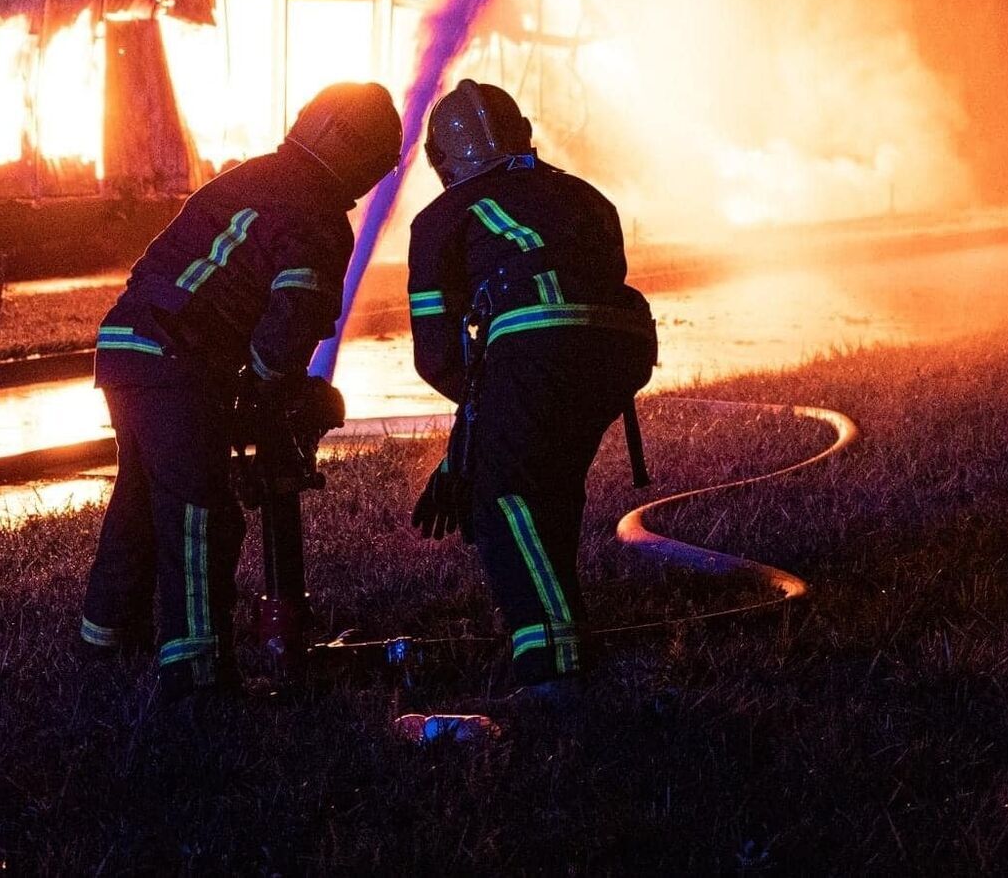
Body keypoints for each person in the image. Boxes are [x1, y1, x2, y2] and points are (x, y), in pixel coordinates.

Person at [80, 81, 401, 698]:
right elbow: (291, 320)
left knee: (142, 497)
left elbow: (164, 262)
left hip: (126, 346)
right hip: (178, 362)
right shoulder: (318, 218)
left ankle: (106, 640)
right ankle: (197, 673)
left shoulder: (249, 176)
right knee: (202, 512)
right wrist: (271, 389)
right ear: (354, 153)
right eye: (375, 163)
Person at [406, 80, 656, 696]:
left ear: (442, 162)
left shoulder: (440, 217)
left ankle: (553, 668)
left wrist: (477, 441)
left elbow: (437, 354)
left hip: (536, 341)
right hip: (623, 349)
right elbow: (596, 296)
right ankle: (561, 631)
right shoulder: (586, 195)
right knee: (552, 480)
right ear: (524, 134)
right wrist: (483, 432)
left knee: (504, 497)